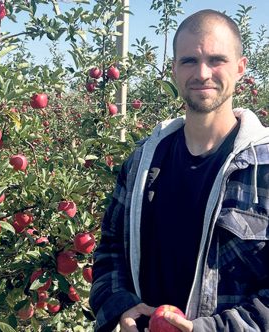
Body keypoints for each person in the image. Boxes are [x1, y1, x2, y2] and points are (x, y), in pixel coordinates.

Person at [89, 8, 269, 332]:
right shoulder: (142, 162)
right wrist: (119, 305)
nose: (202, 73)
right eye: (189, 61)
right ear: (174, 69)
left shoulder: (264, 168)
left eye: (217, 60)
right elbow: (110, 247)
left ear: (241, 68)